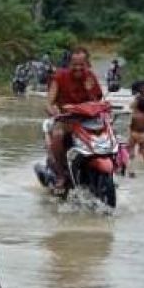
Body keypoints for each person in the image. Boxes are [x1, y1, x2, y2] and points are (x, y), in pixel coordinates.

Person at [45, 47, 103, 189]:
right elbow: (49, 102)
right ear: (69, 64)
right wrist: (54, 112)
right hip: (66, 120)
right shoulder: (59, 77)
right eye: (74, 64)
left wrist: (89, 90)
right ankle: (60, 174)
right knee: (58, 136)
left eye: (81, 65)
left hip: (88, 121)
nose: (78, 68)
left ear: (87, 64)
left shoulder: (90, 77)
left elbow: (98, 103)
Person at [127, 96, 144, 176]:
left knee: (131, 148)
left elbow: (131, 125)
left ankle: (131, 162)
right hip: (142, 134)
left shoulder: (134, 115)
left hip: (134, 133)